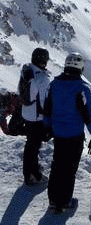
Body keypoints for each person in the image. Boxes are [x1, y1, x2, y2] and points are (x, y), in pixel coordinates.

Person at [44, 52, 91, 213]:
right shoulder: (81, 88)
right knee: (70, 169)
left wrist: (47, 127)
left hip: (58, 134)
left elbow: (47, 108)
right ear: (81, 68)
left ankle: (53, 200)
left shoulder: (54, 84)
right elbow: (88, 115)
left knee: (57, 166)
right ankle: (65, 201)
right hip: (74, 135)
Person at [19, 47, 51, 185]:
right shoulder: (41, 78)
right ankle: (32, 175)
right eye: (44, 61)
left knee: (31, 144)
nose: (45, 63)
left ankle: (33, 168)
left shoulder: (27, 70)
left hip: (27, 113)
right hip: (37, 117)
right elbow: (45, 100)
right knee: (33, 146)